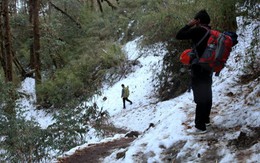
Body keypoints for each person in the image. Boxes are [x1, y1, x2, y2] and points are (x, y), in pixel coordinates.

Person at [176, 9, 212, 134]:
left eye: (195, 19)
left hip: (198, 68)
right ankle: (206, 120)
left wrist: (189, 25)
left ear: (198, 20)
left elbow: (179, 35)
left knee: (200, 97)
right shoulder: (211, 32)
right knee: (207, 93)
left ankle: (200, 126)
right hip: (208, 67)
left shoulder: (198, 30)